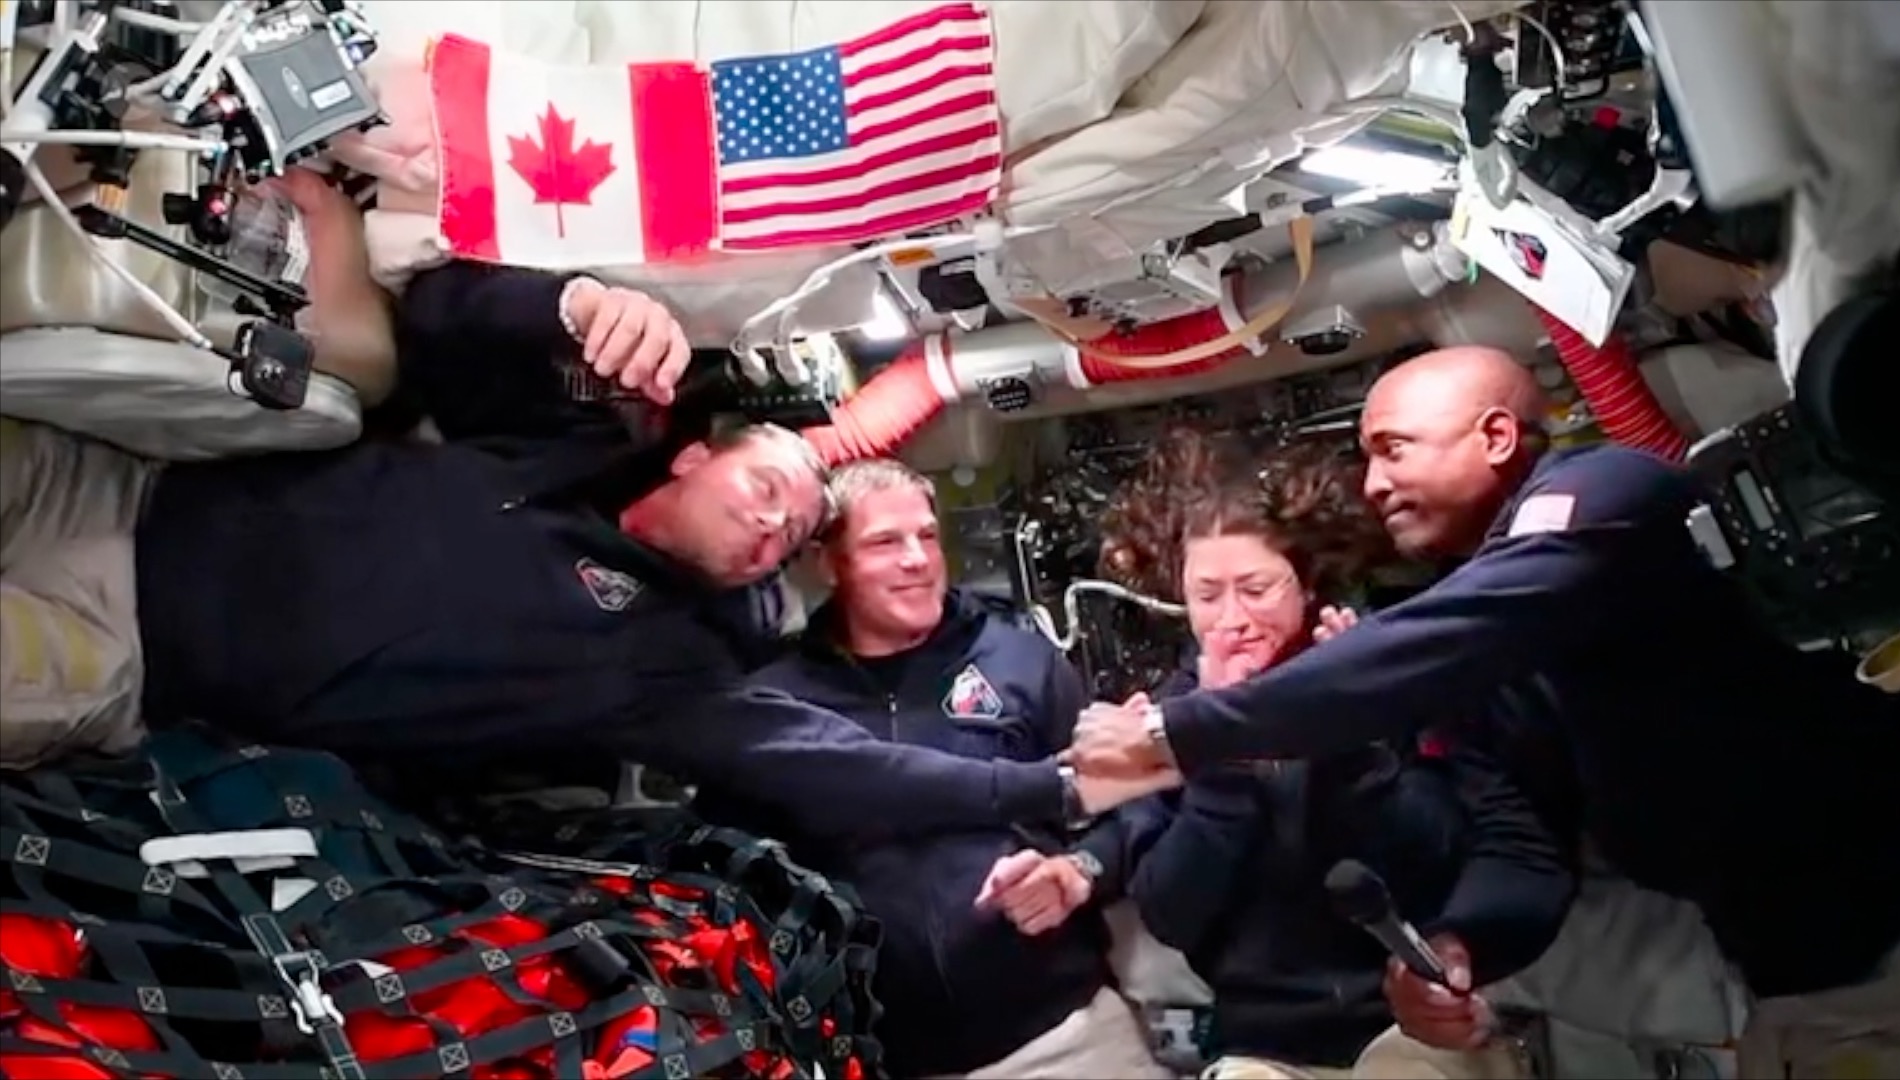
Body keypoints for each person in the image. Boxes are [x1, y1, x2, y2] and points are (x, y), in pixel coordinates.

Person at [1071, 346, 1900, 1078]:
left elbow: (1466, 630)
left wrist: (1181, 734)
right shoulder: (1489, 654)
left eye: (1393, 449)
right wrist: (1464, 945)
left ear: (1497, 437)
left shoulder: (1603, 494)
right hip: (1805, 969)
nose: (1373, 483)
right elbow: (1523, 842)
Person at [133, 233, 1151, 839]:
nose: (772, 524)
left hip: (143, 657)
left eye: (792, 534)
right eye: (767, 488)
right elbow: (441, 317)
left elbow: (827, 763)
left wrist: (1046, 787)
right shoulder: (577, 436)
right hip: (151, 482)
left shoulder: (666, 670)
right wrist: (572, 306)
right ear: (695, 457)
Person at [1105, 432, 1568, 1080]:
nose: (1231, 619)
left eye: (1256, 589)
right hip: (1265, 1043)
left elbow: (1445, 857)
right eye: (1208, 596)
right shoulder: (1160, 723)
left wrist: (1347, 738)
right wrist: (1221, 756)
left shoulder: (1394, 680)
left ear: (1307, 586)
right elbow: (1171, 914)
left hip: (1407, 1019)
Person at [700, 459, 1168, 1079]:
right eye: (885, 543)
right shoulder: (775, 706)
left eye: (926, 535)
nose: (917, 559)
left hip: (1064, 1038)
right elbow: (727, 875)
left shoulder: (1019, 662)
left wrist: (1082, 868)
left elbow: (1131, 803)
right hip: (881, 1059)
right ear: (827, 563)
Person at [1, 168, 392, 769]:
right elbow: (377, 365)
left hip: (127, 650)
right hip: (109, 484)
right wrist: (328, 214)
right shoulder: (533, 459)